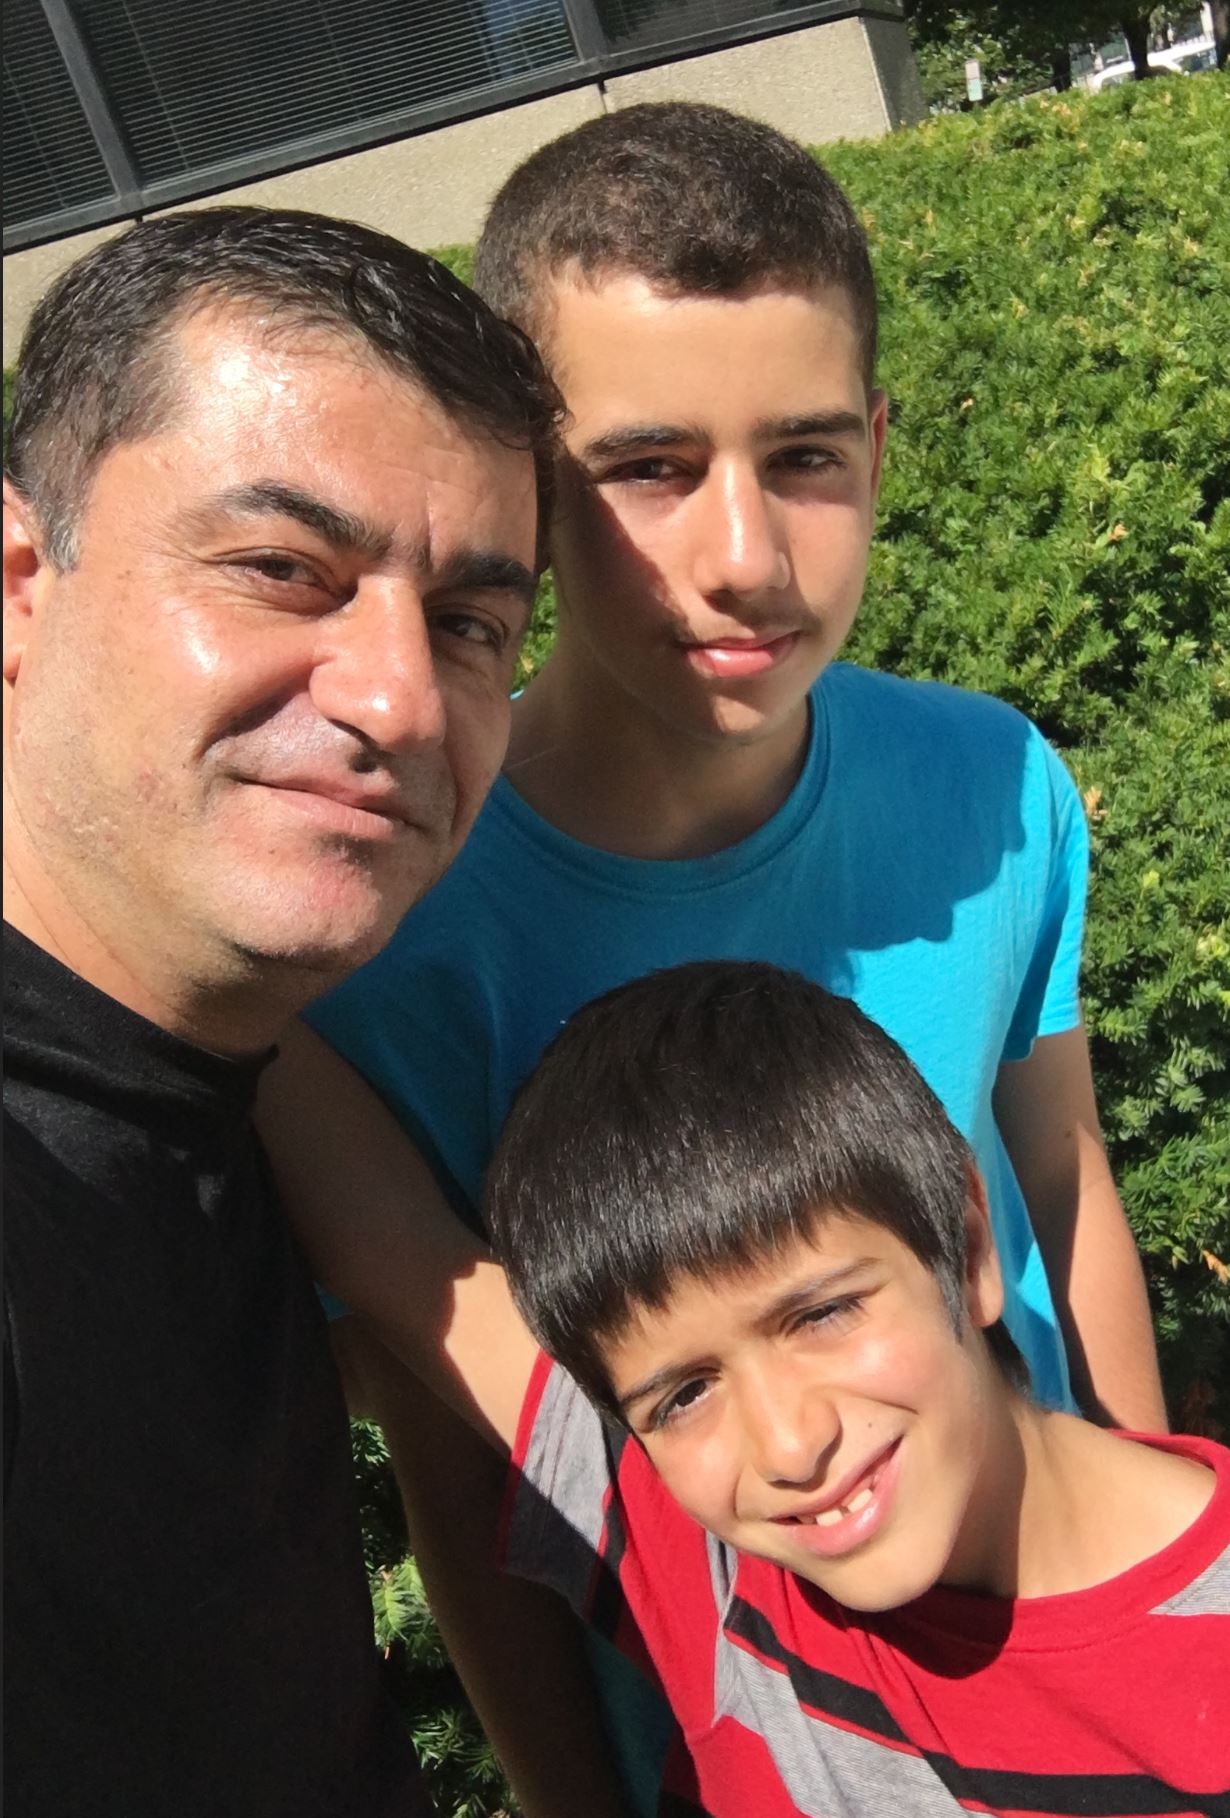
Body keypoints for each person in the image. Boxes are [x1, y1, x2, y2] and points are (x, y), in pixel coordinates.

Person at [284, 100, 1168, 1812]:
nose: (746, 559)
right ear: (527, 488)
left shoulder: (994, 783)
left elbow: (1063, 1183)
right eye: (649, 468)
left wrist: (1149, 1579)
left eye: (807, 456)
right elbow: (468, 1478)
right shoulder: (389, 938)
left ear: (880, 449)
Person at [1, 204, 561, 1818]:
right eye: (280, 571)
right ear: (22, 582)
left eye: (470, 625)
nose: (400, 697)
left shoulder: (226, 1079)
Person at [263, 961, 1228, 1816]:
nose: (788, 1447)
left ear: (969, 1247)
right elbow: (379, 1239)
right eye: (683, 1396)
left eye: (824, 1315)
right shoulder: (708, 1565)